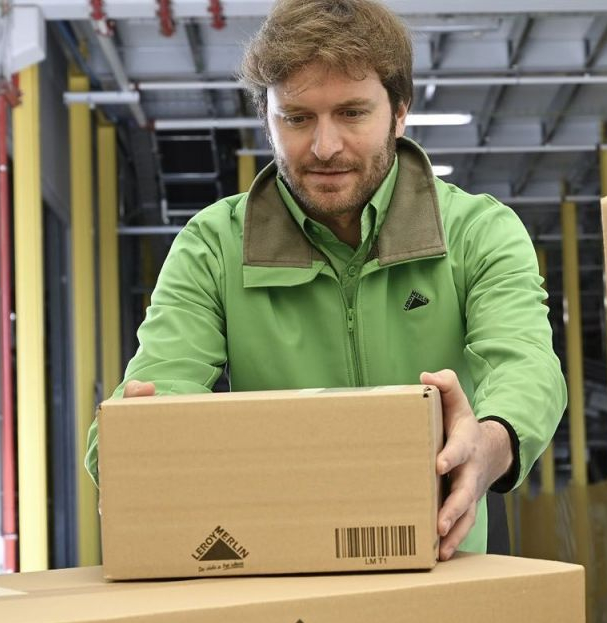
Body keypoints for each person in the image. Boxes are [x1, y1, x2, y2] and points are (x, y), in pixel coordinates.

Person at [84, 0, 565, 561]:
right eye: (297, 117)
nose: (325, 147)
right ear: (267, 117)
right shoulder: (213, 246)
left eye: (353, 113)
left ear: (400, 111)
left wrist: (492, 440)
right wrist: (136, 442)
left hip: (441, 566)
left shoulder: (476, 231)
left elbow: (526, 365)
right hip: (275, 573)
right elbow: (155, 386)